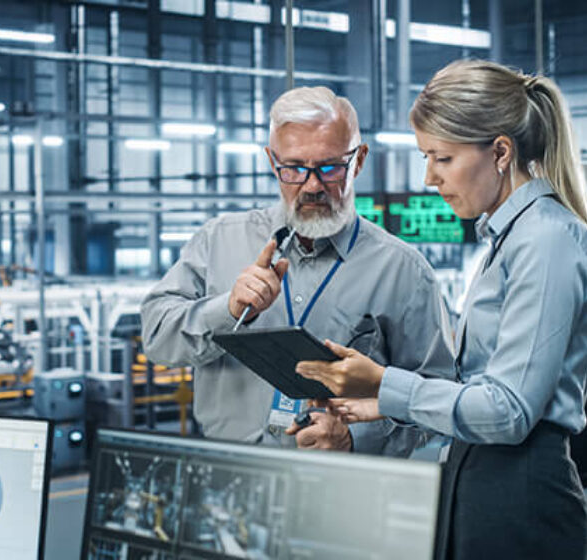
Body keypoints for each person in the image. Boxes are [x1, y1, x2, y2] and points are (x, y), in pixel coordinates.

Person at [296, 59, 587, 559]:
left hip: (521, 498)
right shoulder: (509, 240)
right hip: (480, 483)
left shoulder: (545, 240)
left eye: (441, 158)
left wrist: (384, 384)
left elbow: (509, 411)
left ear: (500, 151)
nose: (429, 177)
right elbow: (485, 391)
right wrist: (381, 404)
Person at [141, 86, 454, 456]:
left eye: (329, 167)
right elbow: (157, 336)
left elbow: (439, 399)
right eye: (293, 169)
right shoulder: (217, 241)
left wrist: (357, 438)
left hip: (342, 483)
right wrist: (226, 310)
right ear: (273, 162)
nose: (312, 186)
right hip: (232, 477)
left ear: (359, 160)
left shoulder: (404, 271)